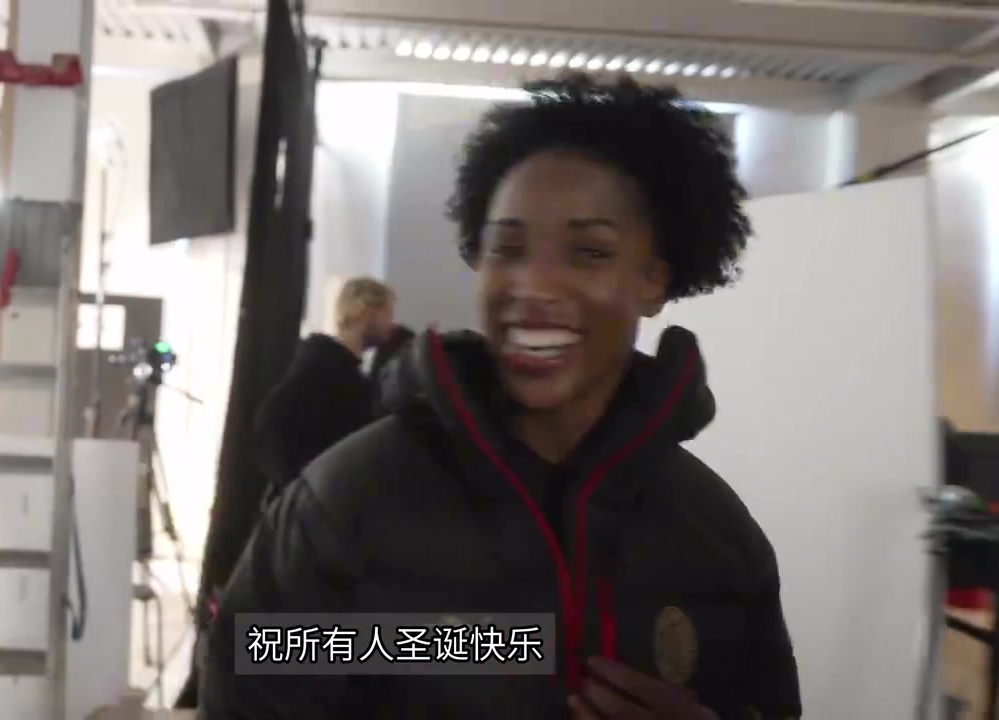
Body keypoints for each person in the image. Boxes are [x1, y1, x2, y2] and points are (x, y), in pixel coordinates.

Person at [201, 74, 801, 719]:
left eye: (589, 252)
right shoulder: (350, 504)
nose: (534, 284)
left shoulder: (715, 538)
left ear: (653, 280)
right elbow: (247, 694)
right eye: (507, 249)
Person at [250, 276, 399, 501]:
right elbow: (271, 426)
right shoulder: (327, 368)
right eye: (388, 314)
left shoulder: (335, 367)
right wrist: (303, 486)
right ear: (367, 313)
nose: (392, 324)